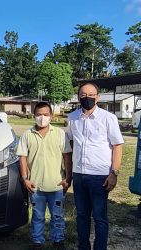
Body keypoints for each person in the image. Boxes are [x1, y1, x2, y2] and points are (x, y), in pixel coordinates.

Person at [67, 83, 124, 250]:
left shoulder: (108, 118)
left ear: (97, 97)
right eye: (83, 94)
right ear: (78, 97)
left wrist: (114, 172)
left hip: (100, 176)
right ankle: (83, 247)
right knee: (82, 216)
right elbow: (69, 143)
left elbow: (117, 146)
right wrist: (68, 173)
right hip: (79, 174)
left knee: (100, 217)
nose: (87, 97)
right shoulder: (72, 118)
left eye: (91, 94)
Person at [17, 102, 72, 250]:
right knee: (37, 216)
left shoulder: (60, 134)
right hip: (35, 186)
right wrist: (25, 179)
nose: (42, 118)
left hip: (56, 185)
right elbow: (22, 157)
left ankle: (58, 240)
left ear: (51, 116)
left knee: (57, 216)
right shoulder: (27, 135)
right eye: (39, 114)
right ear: (34, 115)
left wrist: (68, 178)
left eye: (46, 115)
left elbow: (67, 156)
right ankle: (37, 242)